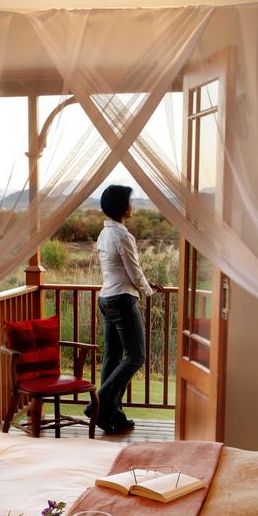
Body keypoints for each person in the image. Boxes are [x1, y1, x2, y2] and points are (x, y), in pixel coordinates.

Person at [86, 185, 163, 435]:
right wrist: (148, 291)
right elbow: (133, 271)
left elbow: (120, 270)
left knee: (112, 358)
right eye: (130, 201)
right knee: (136, 356)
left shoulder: (104, 234)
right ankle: (97, 407)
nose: (133, 205)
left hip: (107, 298)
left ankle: (113, 417)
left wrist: (145, 283)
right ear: (122, 206)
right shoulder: (122, 236)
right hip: (121, 300)